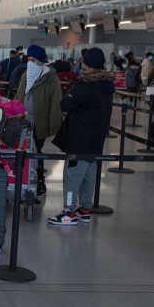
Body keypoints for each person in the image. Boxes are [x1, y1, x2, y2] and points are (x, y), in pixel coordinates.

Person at [48, 48, 115, 226]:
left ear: (87, 63)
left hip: (80, 137)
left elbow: (66, 104)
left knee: (72, 174)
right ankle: (85, 210)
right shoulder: (107, 85)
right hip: (96, 137)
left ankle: (69, 212)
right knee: (88, 175)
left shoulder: (85, 85)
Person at [14, 45, 61, 197]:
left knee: (37, 154)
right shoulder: (25, 75)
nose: (30, 63)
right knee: (21, 152)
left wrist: (54, 125)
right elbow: (19, 96)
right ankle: (20, 179)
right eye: (28, 60)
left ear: (40, 61)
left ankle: (39, 181)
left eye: (33, 60)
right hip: (23, 122)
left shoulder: (51, 77)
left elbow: (56, 102)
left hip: (39, 122)